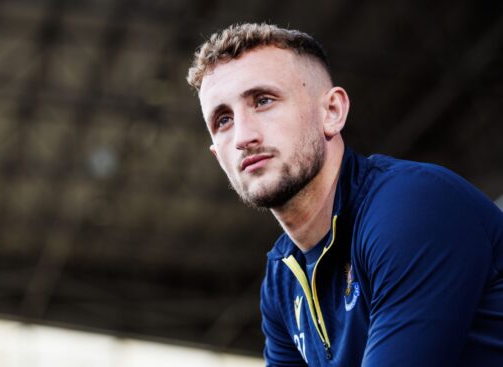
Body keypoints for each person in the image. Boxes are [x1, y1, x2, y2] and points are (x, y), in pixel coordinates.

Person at [186, 23, 503, 366]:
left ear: (332, 112)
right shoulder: (281, 280)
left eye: (263, 101)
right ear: (218, 156)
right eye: (223, 120)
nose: (243, 136)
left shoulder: (412, 207)